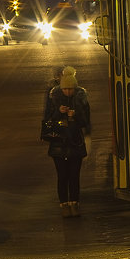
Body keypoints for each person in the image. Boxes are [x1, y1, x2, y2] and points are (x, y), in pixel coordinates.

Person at [42, 66, 91, 217]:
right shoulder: (53, 98)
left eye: (71, 89)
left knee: (74, 175)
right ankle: (64, 204)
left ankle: (74, 203)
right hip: (59, 144)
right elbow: (47, 120)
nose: (68, 91)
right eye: (66, 89)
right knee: (62, 175)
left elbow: (86, 122)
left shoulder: (81, 98)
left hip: (75, 143)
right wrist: (59, 112)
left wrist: (75, 116)